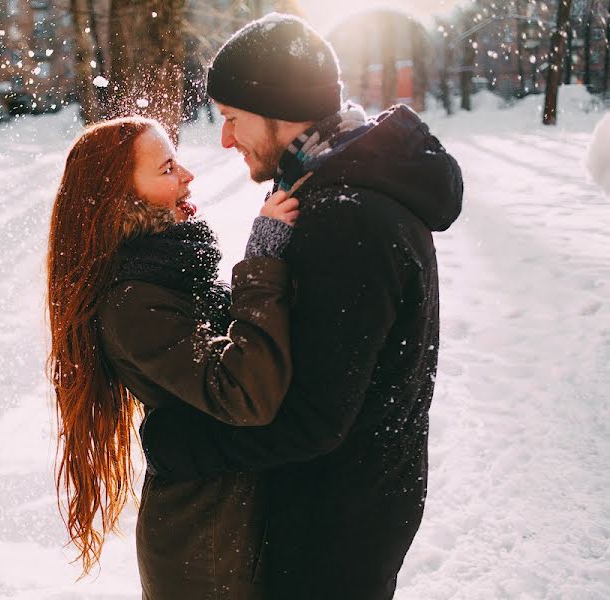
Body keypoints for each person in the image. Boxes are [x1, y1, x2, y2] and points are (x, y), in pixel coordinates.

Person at [139, 13, 464, 599]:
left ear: (277, 109)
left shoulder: (347, 217)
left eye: (231, 119)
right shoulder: (330, 186)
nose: (225, 139)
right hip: (352, 508)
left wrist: (178, 441)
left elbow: (312, 419)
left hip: (332, 531)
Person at [46, 115, 300, 598]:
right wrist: (262, 264)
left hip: (234, 532)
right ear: (119, 199)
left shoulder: (171, 273)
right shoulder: (132, 302)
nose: (187, 175)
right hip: (204, 553)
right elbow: (244, 392)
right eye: (165, 169)